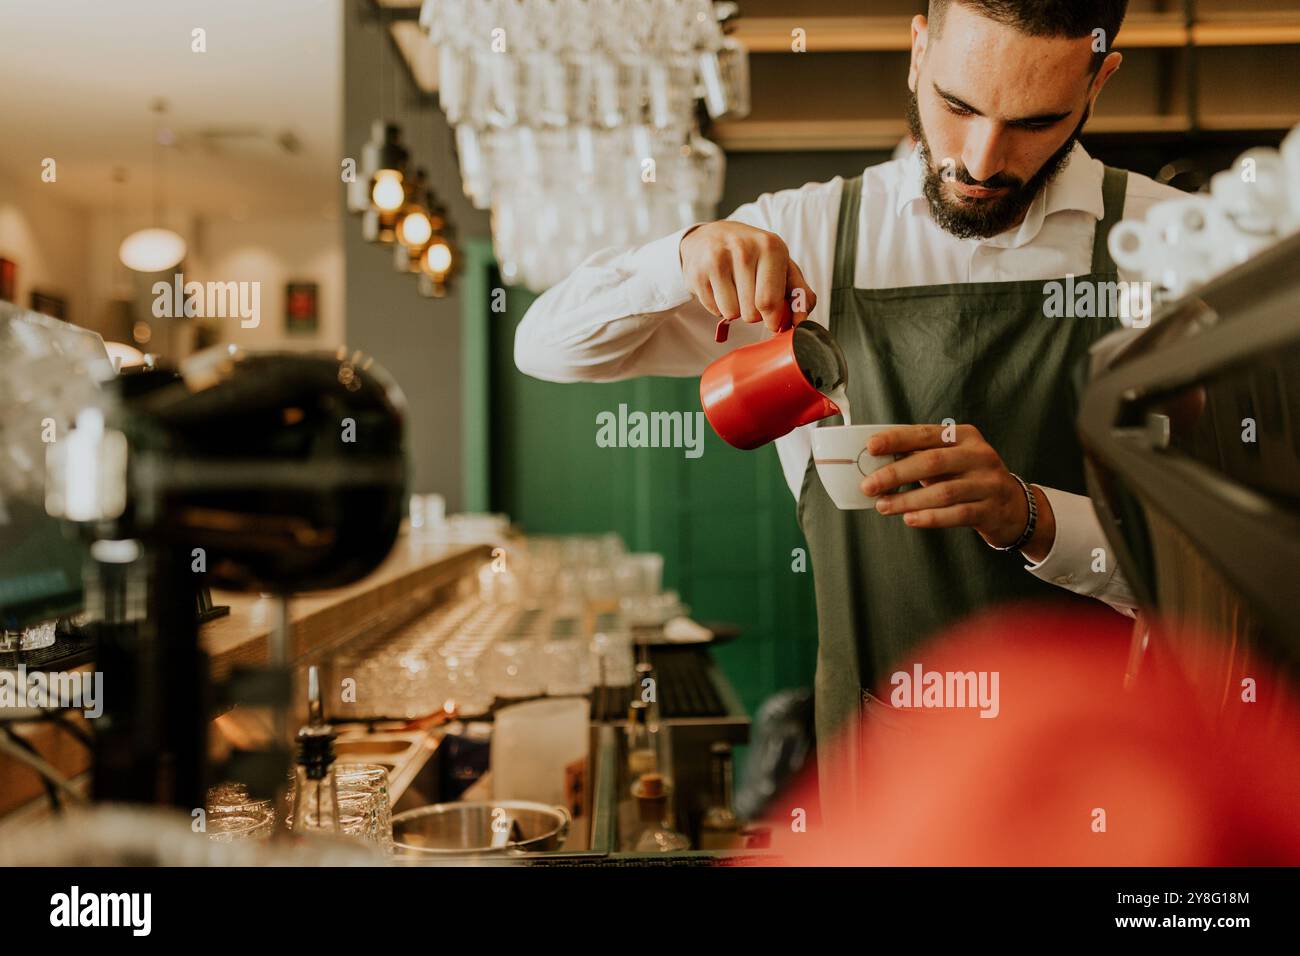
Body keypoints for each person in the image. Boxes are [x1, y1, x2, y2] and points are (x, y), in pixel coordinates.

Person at [515, 0, 1183, 808]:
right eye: (957, 105)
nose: (980, 159)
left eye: (1035, 121)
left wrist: (1033, 516)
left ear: (1100, 77)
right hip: (880, 782)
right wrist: (680, 255)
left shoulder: (1173, 247)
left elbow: (1218, 582)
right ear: (916, 50)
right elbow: (545, 347)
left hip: (1105, 783)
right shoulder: (808, 233)